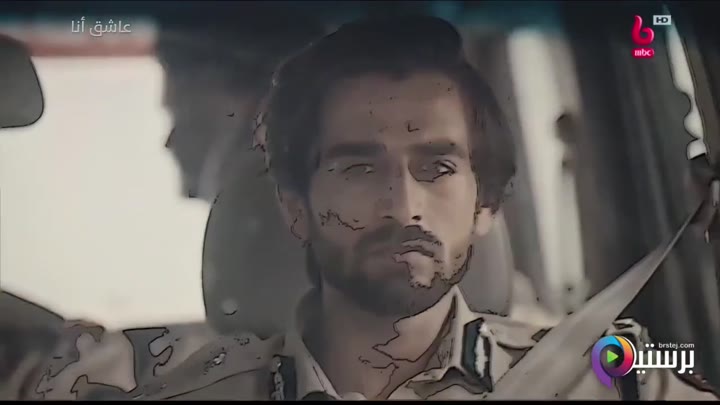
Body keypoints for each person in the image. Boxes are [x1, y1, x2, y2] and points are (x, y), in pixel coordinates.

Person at [4, 15, 719, 400]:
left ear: (486, 204)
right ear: (294, 208)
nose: (402, 204)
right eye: (357, 167)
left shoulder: (616, 379)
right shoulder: (168, 389)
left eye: (437, 167)